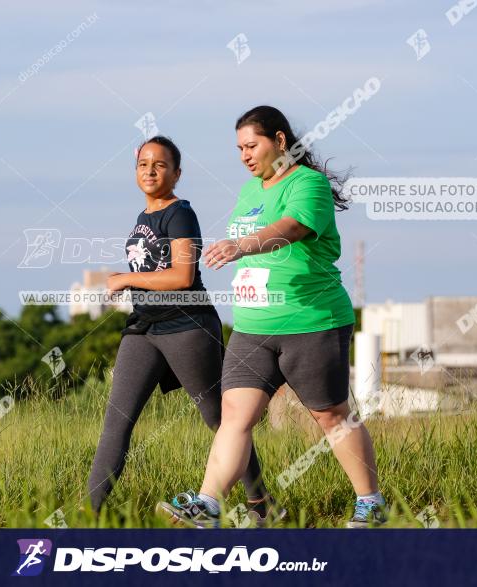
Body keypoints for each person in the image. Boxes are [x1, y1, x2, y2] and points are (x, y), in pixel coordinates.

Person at [159, 106, 386, 528]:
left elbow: (292, 227)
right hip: (253, 327)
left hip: (311, 321)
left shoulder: (308, 184)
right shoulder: (250, 192)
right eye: (239, 149)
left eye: (252, 145)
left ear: (279, 141)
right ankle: (208, 504)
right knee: (235, 417)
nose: (244, 155)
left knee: (331, 416)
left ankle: (370, 503)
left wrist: (244, 245)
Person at [87, 135, 283, 525]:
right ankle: (87, 514)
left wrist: (126, 279)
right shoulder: (144, 217)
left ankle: (262, 505)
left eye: (160, 165)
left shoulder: (180, 214)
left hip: (187, 325)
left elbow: (182, 276)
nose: (150, 171)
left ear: (176, 173)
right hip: (143, 327)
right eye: (143, 164)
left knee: (220, 419)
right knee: (117, 422)